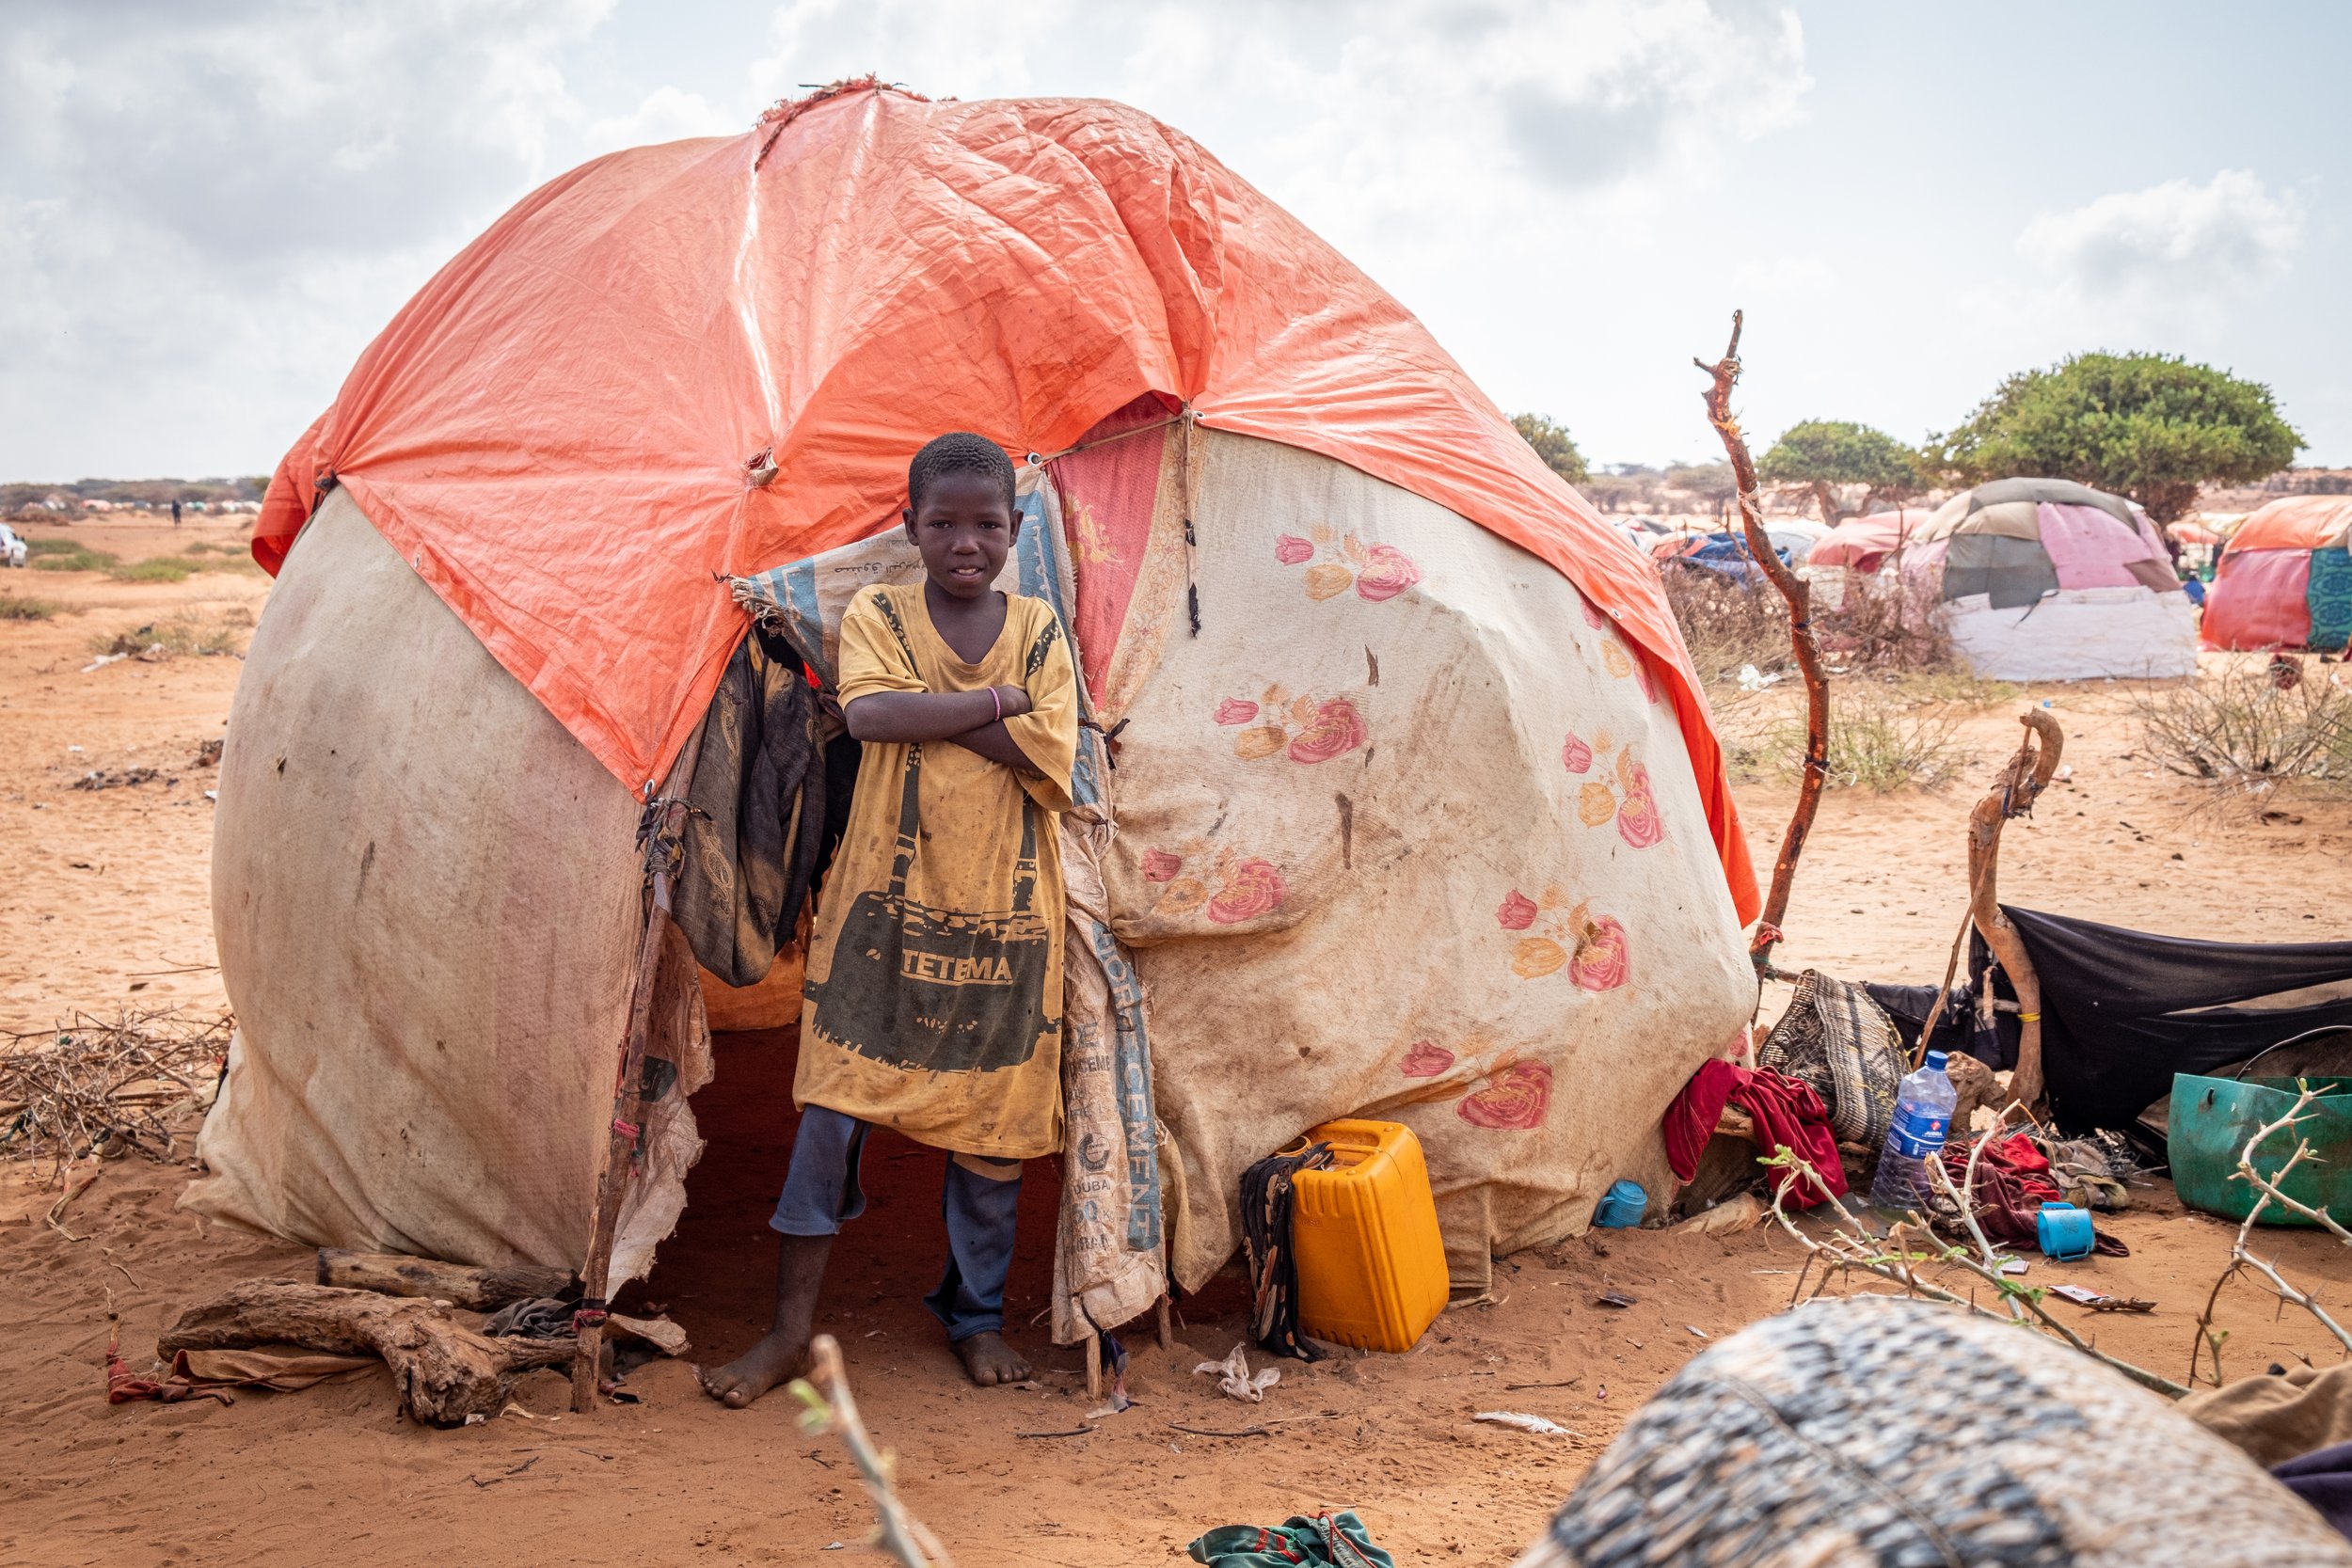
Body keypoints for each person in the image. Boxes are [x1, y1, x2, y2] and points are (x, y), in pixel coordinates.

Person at [701, 432, 1079, 1407]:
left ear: (1015, 529)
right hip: (886, 897)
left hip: (1005, 907)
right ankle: (789, 1330)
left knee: (994, 1124)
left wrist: (940, 707)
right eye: (943, 521)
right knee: (832, 1106)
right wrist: (994, 700)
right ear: (909, 525)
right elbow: (870, 718)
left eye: (985, 523)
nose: (965, 541)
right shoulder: (878, 611)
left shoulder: (1038, 623)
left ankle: (976, 1318)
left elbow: (1053, 749)